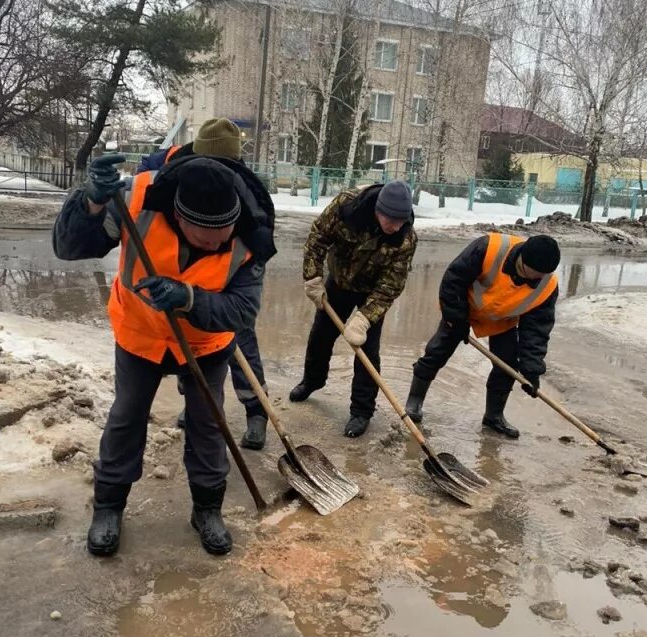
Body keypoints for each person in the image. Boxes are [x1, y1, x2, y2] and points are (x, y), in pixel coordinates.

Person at [53, 152, 266, 558]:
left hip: (206, 343)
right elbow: (68, 247)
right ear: (179, 218)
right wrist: (90, 203)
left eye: (224, 234)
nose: (217, 244)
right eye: (206, 238)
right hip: (140, 333)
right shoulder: (136, 202)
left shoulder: (252, 228)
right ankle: (108, 507)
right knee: (127, 417)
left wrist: (189, 297)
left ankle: (207, 509)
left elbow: (243, 310)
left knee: (208, 423)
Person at [139, 118, 276, 451]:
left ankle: (256, 412)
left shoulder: (244, 188)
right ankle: (195, 403)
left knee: (242, 344)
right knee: (190, 351)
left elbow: (260, 239)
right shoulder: (168, 168)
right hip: (179, 284)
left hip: (227, 284)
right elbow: (143, 184)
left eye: (224, 164)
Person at [290, 179, 417, 438]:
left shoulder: (405, 239)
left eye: (400, 222)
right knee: (320, 337)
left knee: (367, 350)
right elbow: (317, 238)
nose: (394, 227)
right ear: (378, 210)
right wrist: (312, 277)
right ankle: (312, 381)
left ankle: (362, 411)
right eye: (390, 220)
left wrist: (364, 318)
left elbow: (391, 286)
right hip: (339, 282)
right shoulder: (346, 207)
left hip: (372, 293)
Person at [404, 232, 560, 438]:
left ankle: (494, 416)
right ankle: (414, 401)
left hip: (503, 319)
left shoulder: (547, 285)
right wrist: (456, 319)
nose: (535, 280)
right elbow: (453, 281)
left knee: (507, 365)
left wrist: (531, 370)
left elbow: (536, 331)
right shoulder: (489, 248)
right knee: (437, 351)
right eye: (532, 274)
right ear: (522, 259)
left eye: (540, 276)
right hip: (462, 308)